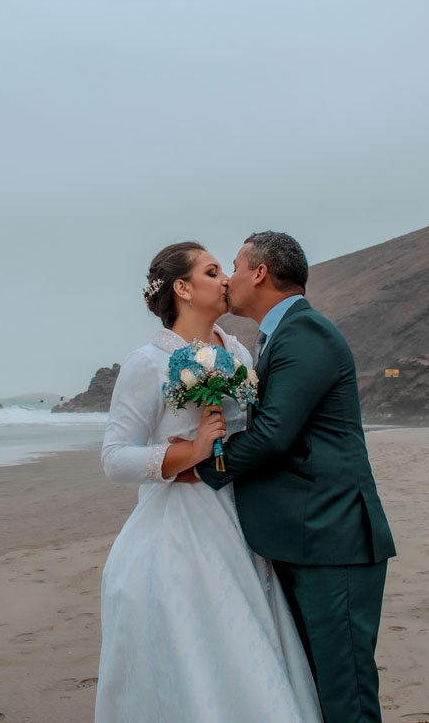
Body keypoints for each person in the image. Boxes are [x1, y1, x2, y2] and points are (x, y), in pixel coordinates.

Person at [95, 242, 321, 722]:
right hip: (179, 533)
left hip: (244, 522)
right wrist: (192, 452)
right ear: (182, 288)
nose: (226, 281)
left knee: (253, 648)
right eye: (213, 271)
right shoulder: (147, 363)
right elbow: (114, 459)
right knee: (199, 656)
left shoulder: (238, 353)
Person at [184, 231, 397, 723]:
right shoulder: (280, 335)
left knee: (345, 693)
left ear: (260, 273)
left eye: (235, 266)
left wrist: (200, 466)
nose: (229, 279)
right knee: (316, 689)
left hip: (333, 541)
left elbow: (274, 434)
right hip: (306, 537)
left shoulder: (306, 334)